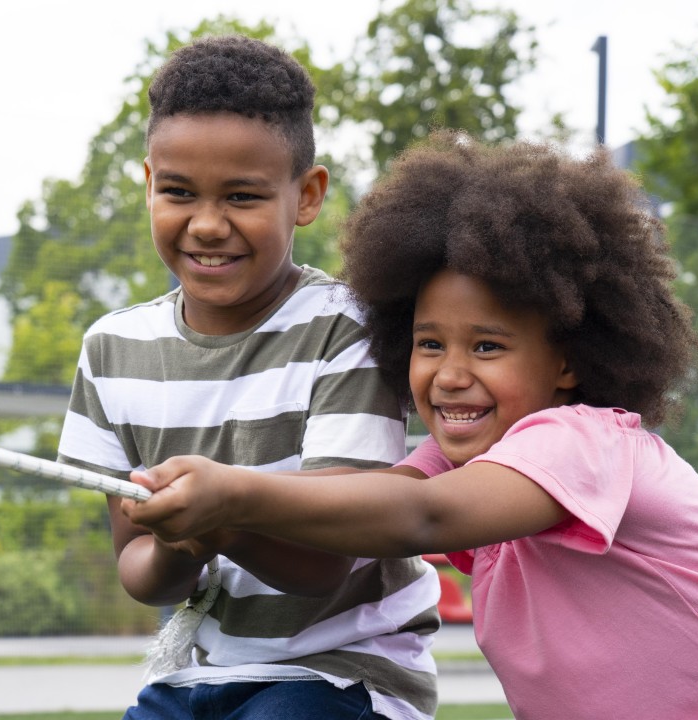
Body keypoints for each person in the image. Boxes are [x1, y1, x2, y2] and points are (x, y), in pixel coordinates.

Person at [123, 130, 698, 720]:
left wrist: (236, 492)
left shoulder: (583, 442)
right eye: (429, 343)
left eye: (487, 347)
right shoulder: (461, 472)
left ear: (567, 358)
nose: (449, 375)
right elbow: (366, 511)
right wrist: (213, 522)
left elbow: (422, 515)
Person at [56, 35, 442, 720]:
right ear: (149, 184)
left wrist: (226, 513)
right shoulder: (112, 350)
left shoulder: (348, 329)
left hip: (343, 677)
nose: (207, 225)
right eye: (178, 192)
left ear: (307, 196)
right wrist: (185, 543)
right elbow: (138, 571)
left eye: (242, 195)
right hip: (205, 676)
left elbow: (326, 562)